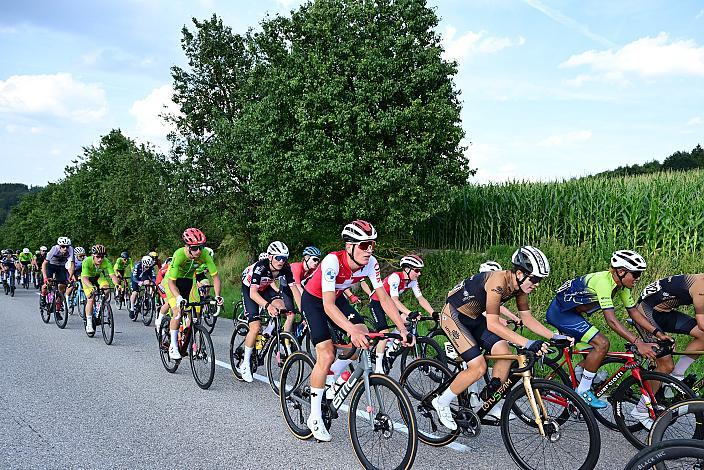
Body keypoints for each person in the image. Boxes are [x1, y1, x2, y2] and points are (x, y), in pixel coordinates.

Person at [301, 220, 412, 442]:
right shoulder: (333, 261)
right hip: (315, 301)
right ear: (349, 246)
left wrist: (401, 328)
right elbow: (327, 305)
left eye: (372, 244)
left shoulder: (371, 263)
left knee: (363, 338)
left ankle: (331, 381)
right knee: (326, 353)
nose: (369, 250)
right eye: (364, 245)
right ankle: (314, 415)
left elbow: (383, 297)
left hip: (337, 298)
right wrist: (350, 330)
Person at [434, 246, 562, 429]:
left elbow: (526, 318)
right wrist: (528, 342)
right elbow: (493, 324)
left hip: (475, 318)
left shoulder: (520, 287)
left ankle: (486, 402)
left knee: (504, 352)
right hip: (454, 316)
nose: (537, 283)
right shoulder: (498, 282)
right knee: (478, 367)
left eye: (540, 280)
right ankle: (442, 402)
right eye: (535, 279)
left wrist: (554, 336)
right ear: (520, 273)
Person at [546, 250, 658, 416]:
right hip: (561, 314)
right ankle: (582, 391)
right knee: (602, 343)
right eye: (635, 274)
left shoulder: (621, 286)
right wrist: (638, 342)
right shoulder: (604, 283)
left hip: (573, 313)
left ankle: (577, 380)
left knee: (594, 354)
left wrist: (657, 332)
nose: (638, 278)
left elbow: (633, 312)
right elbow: (611, 321)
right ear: (621, 272)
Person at [237, 241, 302, 383]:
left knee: (281, 306)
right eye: (278, 258)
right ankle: (245, 363)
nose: (281, 261)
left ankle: (269, 332)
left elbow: (294, 289)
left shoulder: (285, 267)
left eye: (284, 258)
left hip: (265, 287)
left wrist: (304, 309)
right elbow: (253, 294)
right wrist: (267, 306)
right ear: (270, 256)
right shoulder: (261, 267)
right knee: (255, 327)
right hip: (250, 290)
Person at [163, 228, 223, 360]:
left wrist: (218, 295)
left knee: (193, 312)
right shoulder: (179, 255)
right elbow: (172, 283)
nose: (199, 251)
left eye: (201, 247)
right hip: (173, 282)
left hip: (189, 282)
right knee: (178, 312)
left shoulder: (204, 254)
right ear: (187, 246)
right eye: (195, 248)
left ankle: (187, 338)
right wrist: (178, 297)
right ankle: (173, 345)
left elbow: (216, 277)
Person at [632, 274, 704, 383]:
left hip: (663, 312)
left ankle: (676, 375)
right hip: (645, 313)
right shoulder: (701, 289)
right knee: (666, 366)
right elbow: (702, 324)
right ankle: (643, 401)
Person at [369, 254, 435, 374]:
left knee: (407, 321)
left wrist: (433, 313)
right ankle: (378, 370)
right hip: (377, 302)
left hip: (390, 303)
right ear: (407, 269)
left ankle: (391, 347)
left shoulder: (412, 281)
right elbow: (394, 299)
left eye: (420, 271)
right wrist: (410, 312)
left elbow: (421, 298)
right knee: (384, 334)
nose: (419, 273)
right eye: (417, 270)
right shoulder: (395, 277)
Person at [81, 245, 119, 334]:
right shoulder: (87, 261)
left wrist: (117, 284)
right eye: (98, 257)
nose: (100, 259)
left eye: (102, 257)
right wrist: (91, 287)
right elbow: (85, 278)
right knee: (91, 298)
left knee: (106, 289)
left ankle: (102, 305)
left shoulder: (106, 261)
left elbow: (112, 275)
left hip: (98, 277)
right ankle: (89, 323)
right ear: (93, 256)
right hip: (87, 279)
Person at [41, 237, 75, 315]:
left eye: (67, 246)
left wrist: (71, 276)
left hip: (61, 267)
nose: (65, 248)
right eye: (63, 246)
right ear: (59, 246)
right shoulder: (54, 249)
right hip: (51, 266)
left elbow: (72, 264)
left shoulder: (71, 249)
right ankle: (43, 297)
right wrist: (45, 277)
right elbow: (44, 264)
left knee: (62, 287)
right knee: (48, 283)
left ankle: (57, 309)